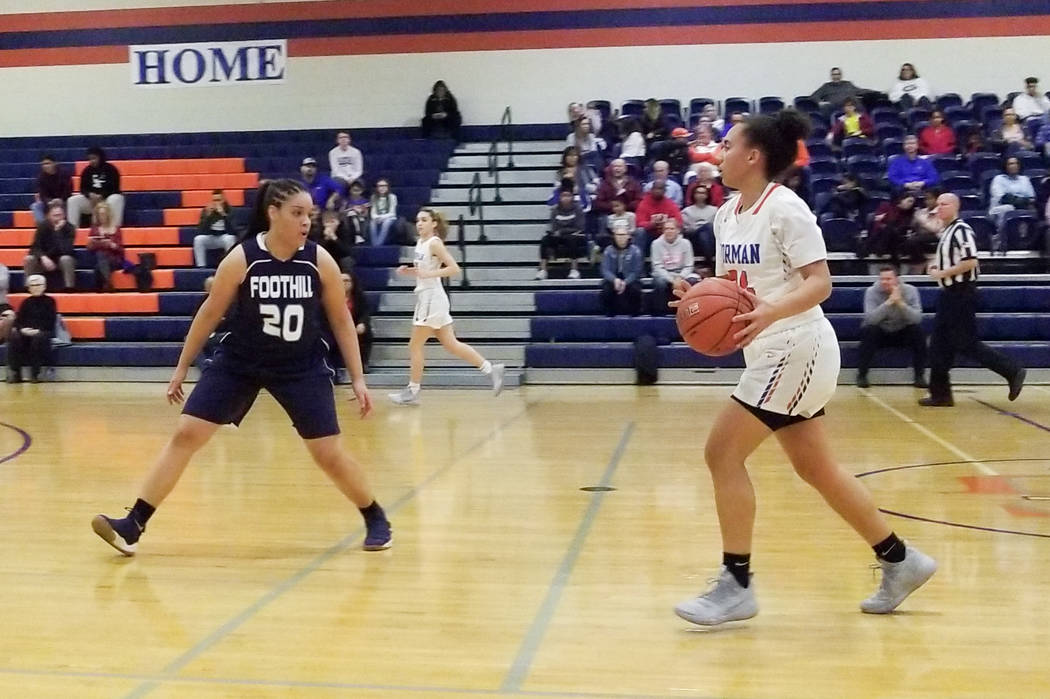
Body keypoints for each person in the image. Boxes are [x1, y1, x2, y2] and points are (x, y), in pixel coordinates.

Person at [670, 109, 936, 627]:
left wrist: (770, 309)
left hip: (796, 345)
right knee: (816, 469)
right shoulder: (727, 214)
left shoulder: (786, 209)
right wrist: (698, 299)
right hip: (772, 349)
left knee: (721, 454)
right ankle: (902, 561)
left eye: (727, 145)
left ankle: (736, 583)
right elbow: (736, 288)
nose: (717, 153)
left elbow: (820, 283)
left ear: (753, 156)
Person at [91, 179, 392, 555]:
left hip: (300, 366)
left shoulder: (318, 260)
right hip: (241, 362)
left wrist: (359, 379)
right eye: (297, 214)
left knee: (327, 454)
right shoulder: (243, 258)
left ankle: (375, 515)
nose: (305, 222)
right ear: (273, 213)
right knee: (187, 433)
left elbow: (342, 321)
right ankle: (133, 523)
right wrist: (182, 366)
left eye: (308, 215)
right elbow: (209, 314)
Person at [388, 208, 505, 405]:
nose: (419, 223)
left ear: (434, 223)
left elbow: (454, 268)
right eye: (417, 220)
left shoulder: (435, 243)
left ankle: (413, 390)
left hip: (431, 299)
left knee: (414, 345)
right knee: (451, 344)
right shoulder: (421, 242)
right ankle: (491, 370)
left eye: (424, 220)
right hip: (430, 297)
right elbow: (425, 270)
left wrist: (428, 275)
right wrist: (410, 272)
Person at [920, 194, 1026, 406]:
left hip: (960, 293)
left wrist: (942, 273)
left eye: (944, 204)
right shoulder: (947, 231)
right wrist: (935, 266)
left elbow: (970, 262)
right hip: (949, 294)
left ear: (956, 207)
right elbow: (950, 259)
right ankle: (941, 395)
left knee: (965, 343)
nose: (939, 208)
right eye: (938, 204)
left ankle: (1012, 370)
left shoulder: (962, 230)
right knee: (939, 345)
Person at [856, 266, 927, 388]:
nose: (884, 282)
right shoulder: (872, 291)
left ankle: (919, 376)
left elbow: (917, 318)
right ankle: (862, 375)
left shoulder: (910, 291)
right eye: (882, 279)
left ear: (896, 280)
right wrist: (888, 303)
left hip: (902, 331)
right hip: (881, 332)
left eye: (888, 279)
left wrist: (900, 303)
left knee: (918, 331)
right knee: (869, 331)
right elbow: (871, 319)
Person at [5, 274, 56, 383]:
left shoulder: (50, 301)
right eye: (32, 285)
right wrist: (22, 329)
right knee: (14, 336)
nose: (35, 287)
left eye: (38, 285)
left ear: (44, 286)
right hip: (26, 331)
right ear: (29, 288)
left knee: (38, 338)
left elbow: (50, 321)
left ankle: (35, 374)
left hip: (43, 331)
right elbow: (18, 321)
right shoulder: (26, 302)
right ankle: (15, 373)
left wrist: (37, 330)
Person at [536, 184, 586, 280]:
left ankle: (574, 270)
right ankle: (543, 270)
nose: (565, 198)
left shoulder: (578, 209)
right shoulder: (555, 210)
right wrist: (557, 232)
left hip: (575, 236)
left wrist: (562, 231)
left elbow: (579, 227)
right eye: (563, 196)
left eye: (568, 195)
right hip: (559, 236)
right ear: (559, 197)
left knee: (572, 239)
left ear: (572, 196)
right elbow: (554, 227)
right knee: (545, 240)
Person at [24, 201, 76, 292]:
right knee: (29, 259)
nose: (58, 218)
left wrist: (58, 232)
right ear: (49, 216)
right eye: (55, 215)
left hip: (60, 260)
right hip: (45, 259)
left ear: (64, 215)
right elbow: (34, 247)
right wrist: (43, 257)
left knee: (66, 259)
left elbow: (66, 250)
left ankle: (69, 288)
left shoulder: (70, 228)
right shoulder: (43, 226)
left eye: (60, 215)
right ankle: (28, 286)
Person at [67, 147, 125, 228]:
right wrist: (89, 195)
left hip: (107, 200)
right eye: (89, 159)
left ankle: (114, 230)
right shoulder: (86, 171)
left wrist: (102, 195)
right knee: (72, 200)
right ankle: (71, 232)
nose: (92, 161)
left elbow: (115, 187)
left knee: (117, 198)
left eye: (94, 158)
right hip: (92, 201)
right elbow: (83, 189)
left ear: (100, 157)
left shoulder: (111, 169)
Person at [649, 219, 698, 315]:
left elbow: (689, 265)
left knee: (693, 281)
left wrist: (680, 277)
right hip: (664, 274)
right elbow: (657, 266)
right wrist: (672, 280)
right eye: (666, 229)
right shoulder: (656, 244)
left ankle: (689, 313)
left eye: (672, 228)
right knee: (659, 283)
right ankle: (661, 314)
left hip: (681, 273)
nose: (669, 231)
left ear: (677, 230)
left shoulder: (686, 243)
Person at [599, 222, 642, 317]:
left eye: (623, 235)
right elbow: (605, 270)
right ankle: (609, 315)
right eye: (618, 235)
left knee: (635, 290)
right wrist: (614, 280)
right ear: (614, 236)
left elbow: (636, 271)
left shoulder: (636, 251)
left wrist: (625, 282)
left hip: (630, 278)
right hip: (613, 278)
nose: (621, 237)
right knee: (606, 290)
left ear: (628, 236)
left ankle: (635, 314)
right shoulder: (608, 250)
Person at [87, 202, 129, 292]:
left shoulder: (116, 229)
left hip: (114, 258)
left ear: (108, 214)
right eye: (100, 214)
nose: (102, 217)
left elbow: (121, 251)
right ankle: (108, 283)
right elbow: (89, 249)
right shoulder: (94, 229)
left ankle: (102, 285)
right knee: (100, 258)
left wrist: (112, 245)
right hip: (100, 259)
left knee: (99, 262)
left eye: (103, 214)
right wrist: (93, 243)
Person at [988, 156, 1036, 234]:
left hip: (1022, 209)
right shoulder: (999, 179)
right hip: (1001, 210)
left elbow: (1032, 199)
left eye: (1016, 163)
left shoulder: (1025, 179)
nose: (1014, 165)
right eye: (1011, 164)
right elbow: (1004, 198)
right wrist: (1024, 201)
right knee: (1009, 208)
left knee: (1030, 212)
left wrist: (1021, 202)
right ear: (1005, 166)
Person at [194, 189, 237, 267]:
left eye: (218, 200)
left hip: (224, 237)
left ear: (223, 200)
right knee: (198, 239)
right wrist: (208, 216)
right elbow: (201, 230)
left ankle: (230, 266)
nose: (216, 203)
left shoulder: (231, 210)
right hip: (212, 237)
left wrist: (223, 214)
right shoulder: (207, 210)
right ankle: (201, 267)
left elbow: (233, 231)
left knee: (230, 239)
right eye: (214, 200)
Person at [308, 207, 356, 273]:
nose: (330, 225)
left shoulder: (343, 230)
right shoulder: (319, 230)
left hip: (339, 257)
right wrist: (326, 239)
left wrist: (334, 238)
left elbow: (346, 252)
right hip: (324, 257)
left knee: (347, 260)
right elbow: (316, 249)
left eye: (332, 222)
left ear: (338, 222)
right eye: (327, 222)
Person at [31, 154, 73, 224]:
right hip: (49, 203)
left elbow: (68, 190)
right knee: (35, 206)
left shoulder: (65, 173)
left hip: (64, 201)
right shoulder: (41, 178)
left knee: (71, 202)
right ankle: (43, 228)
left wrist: (61, 200)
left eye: (48, 163)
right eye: (43, 164)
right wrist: (49, 201)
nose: (45, 166)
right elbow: (42, 194)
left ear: (55, 163)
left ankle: (69, 226)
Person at [368, 178, 399, 246]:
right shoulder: (374, 197)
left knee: (386, 223)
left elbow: (392, 213)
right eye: (380, 186)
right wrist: (377, 218)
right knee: (372, 223)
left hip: (389, 217)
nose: (382, 188)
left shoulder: (392, 197)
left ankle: (379, 243)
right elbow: (373, 212)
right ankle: (374, 243)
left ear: (387, 187)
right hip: (378, 217)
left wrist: (382, 218)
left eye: (384, 186)